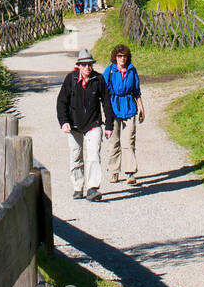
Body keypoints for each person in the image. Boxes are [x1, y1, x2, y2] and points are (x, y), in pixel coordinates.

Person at [56, 49, 113, 200]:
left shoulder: (99, 80)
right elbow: (61, 102)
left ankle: (93, 188)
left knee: (93, 155)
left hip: (93, 124)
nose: (87, 67)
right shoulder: (71, 79)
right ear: (79, 66)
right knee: (76, 156)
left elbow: (107, 102)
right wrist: (64, 122)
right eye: (84, 64)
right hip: (74, 125)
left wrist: (109, 125)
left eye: (90, 64)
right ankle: (77, 187)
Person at [103, 43, 144, 187]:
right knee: (114, 142)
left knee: (128, 142)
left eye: (125, 56)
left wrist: (141, 108)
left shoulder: (132, 71)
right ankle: (114, 172)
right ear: (115, 57)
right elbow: (103, 93)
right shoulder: (109, 72)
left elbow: (136, 91)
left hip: (129, 109)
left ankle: (130, 173)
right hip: (113, 110)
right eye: (120, 56)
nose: (122, 59)